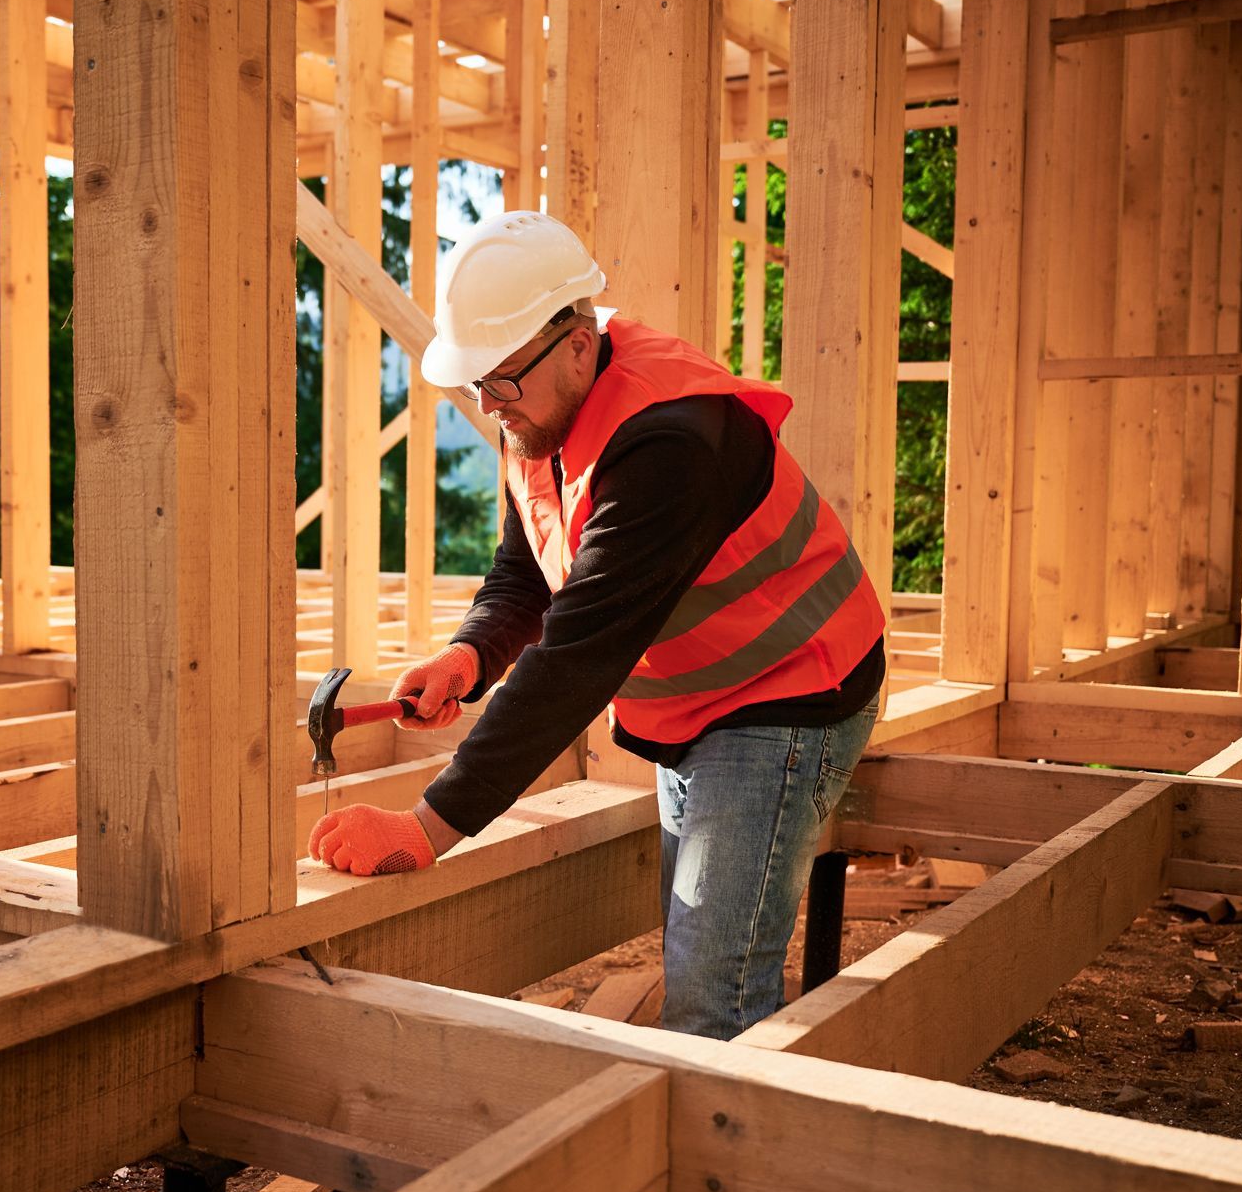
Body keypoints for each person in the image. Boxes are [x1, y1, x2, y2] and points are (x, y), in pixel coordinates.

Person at [306, 211, 886, 1039]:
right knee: (701, 955)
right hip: (699, 696)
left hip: (788, 690)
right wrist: (470, 653)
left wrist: (429, 824)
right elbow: (530, 568)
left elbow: (578, 656)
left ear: (578, 343)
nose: (489, 403)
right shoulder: (536, 408)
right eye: (476, 384)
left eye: (502, 380)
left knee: (710, 999)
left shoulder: (671, 444)